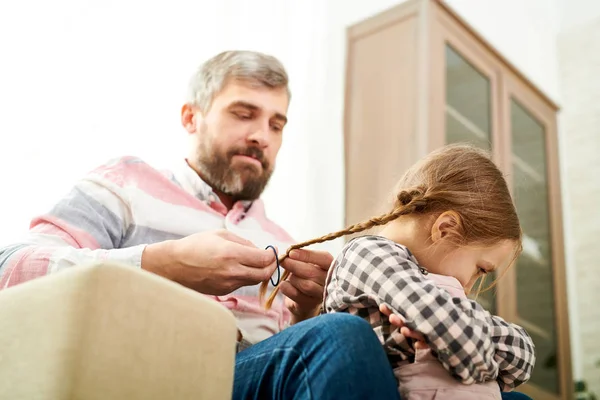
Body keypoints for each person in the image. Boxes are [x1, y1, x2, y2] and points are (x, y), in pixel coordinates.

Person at [0, 50, 402, 399]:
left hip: (251, 376)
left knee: (350, 336)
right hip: (150, 368)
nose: (262, 136)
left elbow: (291, 357)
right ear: (191, 117)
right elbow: (10, 268)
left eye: (276, 125)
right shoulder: (126, 184)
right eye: (244, 114)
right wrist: (164, 263)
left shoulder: (282, 242)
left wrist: (305, 312)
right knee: (344, 335)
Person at [263, 144, 536, 399]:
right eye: (479, 269)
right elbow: (455, 332)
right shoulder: (368, 255)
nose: (469, 286)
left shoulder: (423, 284)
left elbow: (522, 355)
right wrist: (485, 349)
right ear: (445, 228)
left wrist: (468, 337)